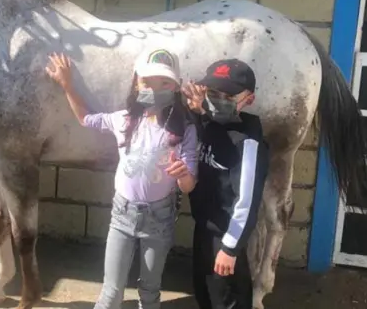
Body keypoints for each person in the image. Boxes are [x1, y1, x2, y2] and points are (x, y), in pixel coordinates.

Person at [45, 48, 199, 309]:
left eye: (165, 82)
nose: (155, 88)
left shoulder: (185, 130)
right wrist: (67, 85)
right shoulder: (124, 120)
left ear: (176, 87)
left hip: (158, 220)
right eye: (146, 81)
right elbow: (85, 119)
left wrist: (183, 174)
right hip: (122, 215)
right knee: (110, 292)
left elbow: (189, 186)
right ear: (135, 83)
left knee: (149, 291)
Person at [181, 59, 269, 309]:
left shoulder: (248, 143)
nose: (219, 99)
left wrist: (230, 248)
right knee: (205, 292)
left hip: (226, 235)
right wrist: (196, 109)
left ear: (248, 99)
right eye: (213, 93)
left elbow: (247, 201)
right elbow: (200, 128)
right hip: (204, 229)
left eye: (228, 95)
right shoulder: (210, 124)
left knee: (227, 299)